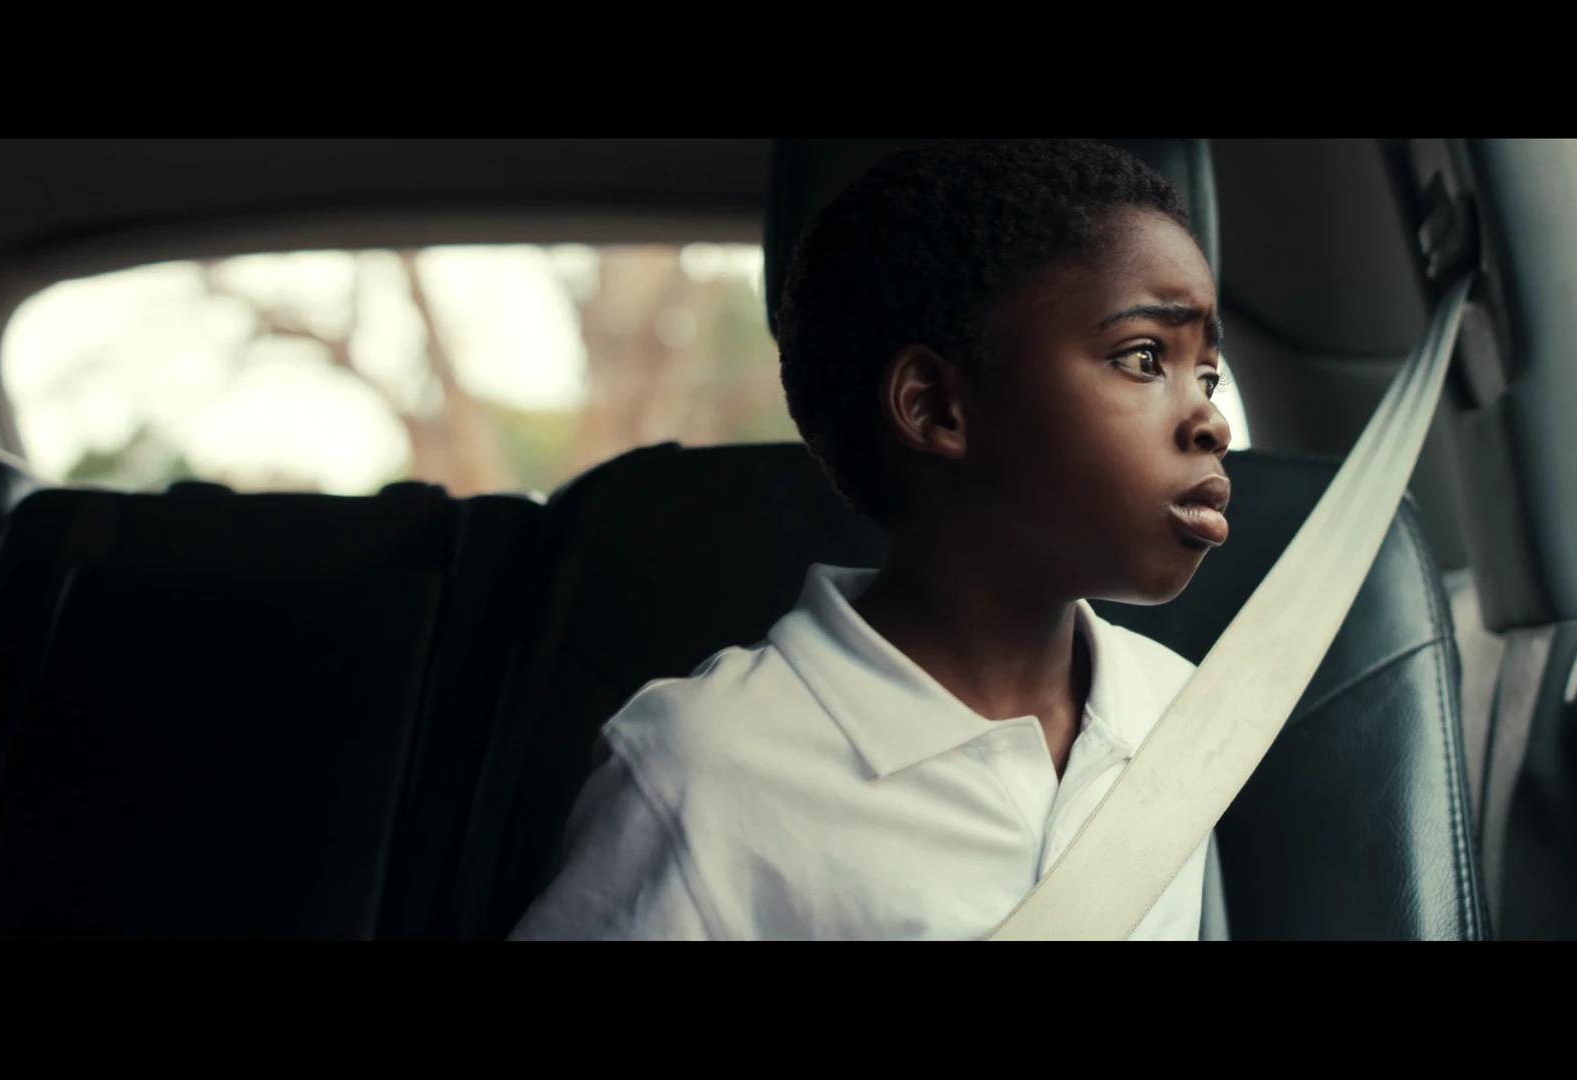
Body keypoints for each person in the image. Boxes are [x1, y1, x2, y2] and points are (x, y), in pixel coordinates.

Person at [512, 139, 1233, 940]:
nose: (1212, 420)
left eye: (1206, 375)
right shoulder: (708, 771)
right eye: (1144, 357)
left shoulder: (1182, 709)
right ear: (934, 408)